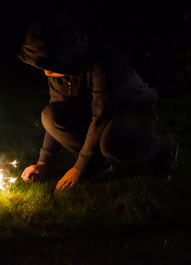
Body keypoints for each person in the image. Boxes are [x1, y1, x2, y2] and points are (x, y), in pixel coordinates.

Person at [19, 16, 178, 192]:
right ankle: (99, 167)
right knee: (49, 115)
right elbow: (57, 112)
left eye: (51, 63)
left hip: (132, 112)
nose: (47, 72)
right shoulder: (59, 72)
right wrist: (44, 162)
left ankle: (164, 143)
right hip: (96, 114)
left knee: (112, 142)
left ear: (65, 53)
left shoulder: (103, 62)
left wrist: (79, 167)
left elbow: (102, 115)